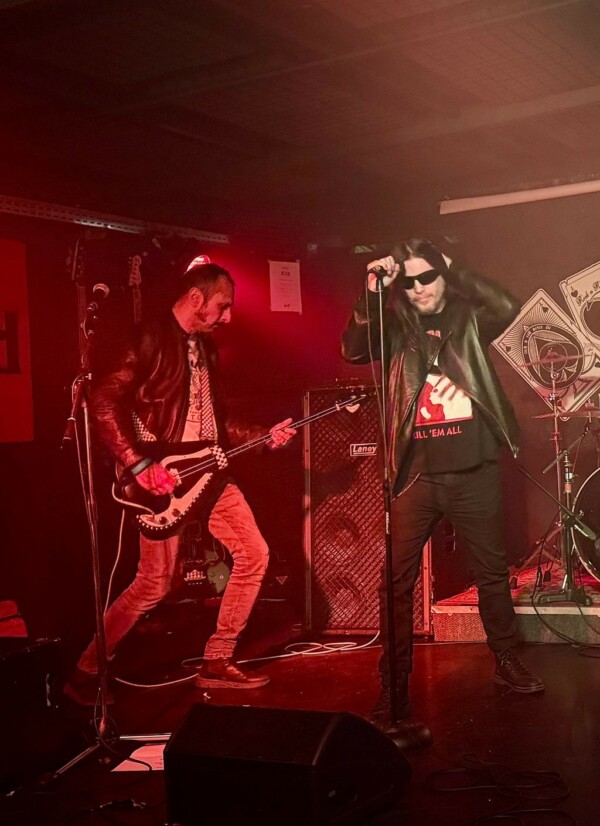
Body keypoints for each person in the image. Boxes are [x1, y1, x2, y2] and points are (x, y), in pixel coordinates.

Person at [63, 263, 296, 705]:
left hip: (210, 468)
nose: (228, 316)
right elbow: (104, 401)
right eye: (222, 306)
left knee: (254, 554)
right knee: (154, 583)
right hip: (164, 474)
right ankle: (85, 672)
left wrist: (264, 436)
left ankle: (218, 660)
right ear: (195, 298)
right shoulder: (147, 338)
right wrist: (136, 464)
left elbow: (217, 421)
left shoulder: (206, 349)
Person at [341, 237, 542, 750]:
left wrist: (455, 266)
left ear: (442, 275)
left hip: (473, 468)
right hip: (416, 475)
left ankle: (506, 661)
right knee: (396, 583)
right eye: (408, 281)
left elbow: (507, 306)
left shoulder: (467, 319)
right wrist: (372, 292)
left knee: (491, 573)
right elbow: (353, 349)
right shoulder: (394, 325)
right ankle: (393, 688)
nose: (419, 288)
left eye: (427, 277)